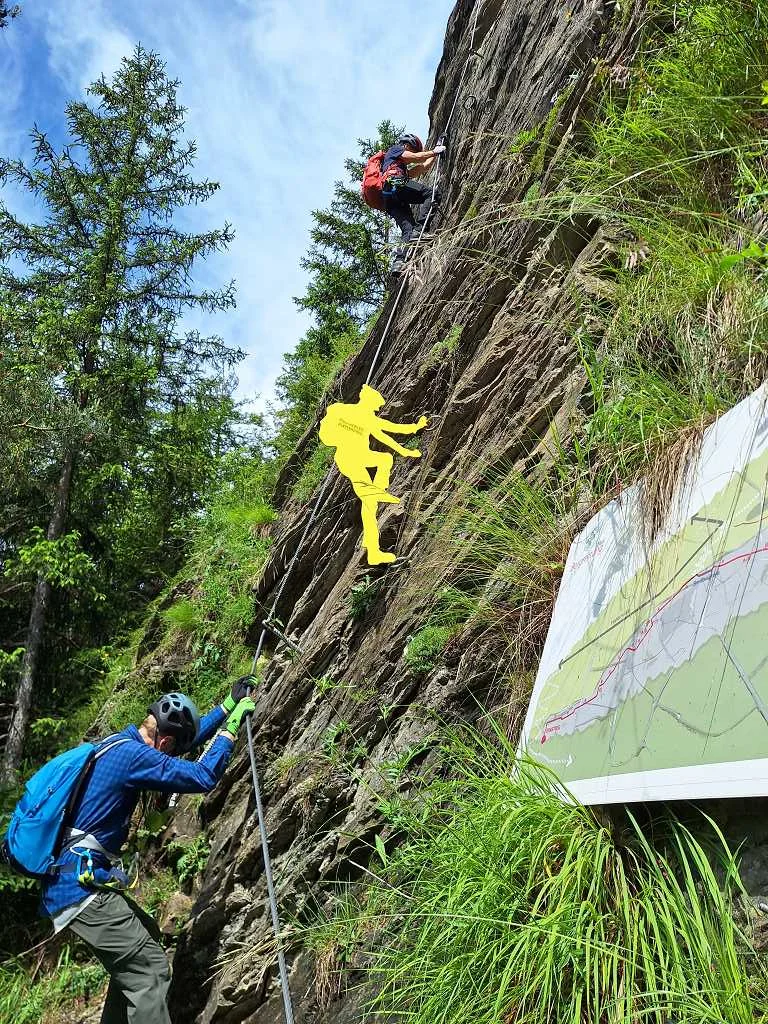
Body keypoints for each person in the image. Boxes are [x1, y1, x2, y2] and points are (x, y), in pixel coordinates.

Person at [41, 681, 256, 1023]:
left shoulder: (121, 745)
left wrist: (226, 707)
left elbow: (178, 750)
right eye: (171, 747)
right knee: (151, 971)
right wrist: (230, 732)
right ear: (165, 740)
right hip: (79, 889)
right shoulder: (132, 757)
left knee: (146, 942)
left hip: (73, 881)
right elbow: (201, 776)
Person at [319, 384, 428, 564]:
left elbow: (388, 434)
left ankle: (373, 550)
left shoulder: (356, 414)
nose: (377, 410)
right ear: (368, 401)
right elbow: (392, 430)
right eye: (376, 406)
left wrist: (408, 446)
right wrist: (415, 429)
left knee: (381, 468)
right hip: (350, 459)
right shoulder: (351, 413)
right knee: (380, 469)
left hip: (355, 457)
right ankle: (377, 494)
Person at [380, 132, 446, 274]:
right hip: (395, 182)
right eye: (413, 149)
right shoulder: (395, 150)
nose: (414, 152)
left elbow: (423, 167)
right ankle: (420, 229)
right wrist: (434, 151)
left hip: (390, 199)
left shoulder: (398, 166)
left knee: (408, 230)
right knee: (432, 194)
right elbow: (416, 158)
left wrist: (436, 150)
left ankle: (399, 261)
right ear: (406, 145)